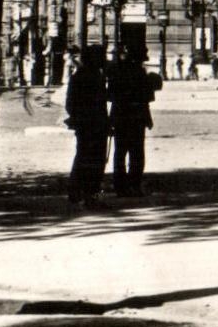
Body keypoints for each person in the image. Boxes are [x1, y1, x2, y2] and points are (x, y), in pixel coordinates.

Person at [65, 44, 109, 209]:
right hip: (90, 125)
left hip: (92, 125)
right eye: (101, 57)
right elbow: (72, 104)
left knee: (87, 159)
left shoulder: (92, 76)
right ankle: (88, 195)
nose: (104, 60)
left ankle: (80, 193)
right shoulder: (87, 77)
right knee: (92, 160)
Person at [107, 48, 156, 196]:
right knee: (137, 153)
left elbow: (110, 96)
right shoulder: (140, 73)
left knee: (120, 152)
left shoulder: (117, 73)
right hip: (136, 117)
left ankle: (120, 186)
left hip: (120, 116)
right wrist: (147, 118)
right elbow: (147, 98)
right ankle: (134, 185)